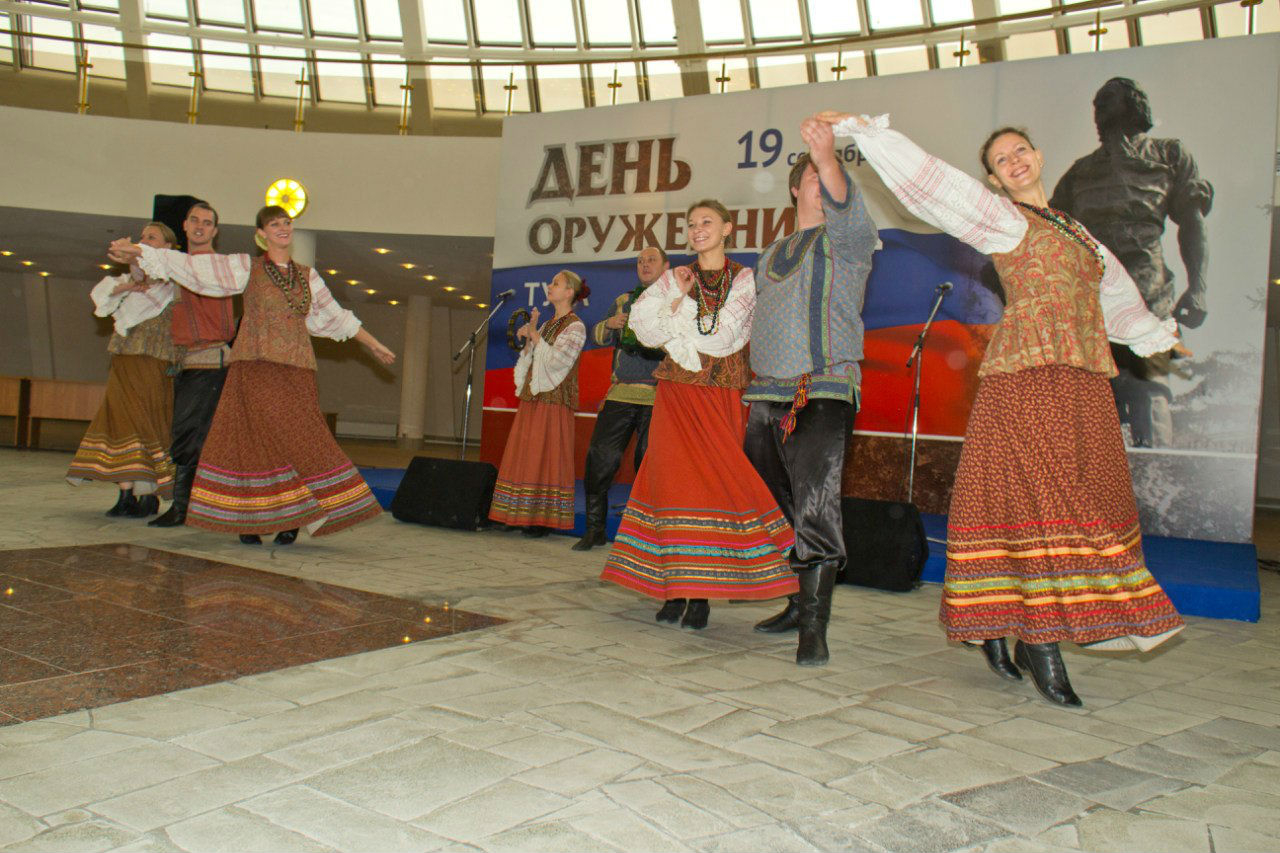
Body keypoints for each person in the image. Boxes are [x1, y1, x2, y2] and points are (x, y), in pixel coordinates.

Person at [822, 111, 1186, 706]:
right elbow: (936, 185)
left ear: (1038, 158)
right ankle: (1038, 639)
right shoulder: (1004, 220)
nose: (1014, 162)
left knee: (1064, 498)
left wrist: (1151, 333)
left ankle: (995, 621)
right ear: (993, 180)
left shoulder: (1079, 234)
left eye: (1020, 152)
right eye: (1000, 161)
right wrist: (871, 134)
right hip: (1028, 376)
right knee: (1048, 499)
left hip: (1082, 379)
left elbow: (1116, 293)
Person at [109, 205, 395, 543]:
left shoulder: (308, 276)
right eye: (274, 224)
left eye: (286, 222)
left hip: (297, 368)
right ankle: (253, 518)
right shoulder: (247, 267)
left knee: (299, 439)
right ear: (261, 234)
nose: (283, 228)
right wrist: (139, 251)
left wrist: (373, 344)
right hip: (255, 365)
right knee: (254, 441)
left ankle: (291, 517)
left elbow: (336, 317)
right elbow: (193, 268)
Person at [600, 200, 797, 631]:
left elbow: (724, 336)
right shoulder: (675, 276)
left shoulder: (743, 278)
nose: (697, 229)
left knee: (711, 485)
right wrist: (676, 298)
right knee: (671, 484)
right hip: (675, 392)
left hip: (718, 393)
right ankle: (676, 589)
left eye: (706, 221)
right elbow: (644, 328)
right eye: (691, 224)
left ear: (727, 228)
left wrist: (677, 310)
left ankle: (702, 592)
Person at [745, 116, 880, 666]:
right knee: (778, 508)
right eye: (813, 180)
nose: (822, 187)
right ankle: (798, 602)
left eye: (828, 180)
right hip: (765, 395)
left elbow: (845, 205)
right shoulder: (768, 255)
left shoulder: (850, 242)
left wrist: (826, 157)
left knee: (816, 506)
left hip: (822, 388)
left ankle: (814, 630)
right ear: (794, 190)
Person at [1050, 77, 1213, 447]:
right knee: (1088, 403)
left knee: (1148, 389)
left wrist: (1198, 288)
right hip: (1089, 300)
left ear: (1135, 103)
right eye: (1096, 102)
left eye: (1108, 98)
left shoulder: (1169, 154)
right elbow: (1050, 237)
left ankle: (1156, 478)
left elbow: (1192, 222)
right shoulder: (1080, 172)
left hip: (1147, 292)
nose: (1099, 107)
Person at [109, 201, 236, 528]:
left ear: (214, 231)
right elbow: (151, 269)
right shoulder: (180, 267)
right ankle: (192, 506)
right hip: (188, 361)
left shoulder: (214, 265)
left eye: (206, 222)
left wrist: (135, 250)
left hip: (209, 362)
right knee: (188, 434)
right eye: (195, 220)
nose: (200, 226)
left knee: (190, 435)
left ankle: (184, 508)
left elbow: (163, 262)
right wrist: (132, 255)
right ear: (185, 225)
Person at [67, 222, 179, 516]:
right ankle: (126, 493)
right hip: (123, 358)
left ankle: (149, 493)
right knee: (120, 422)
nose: (144, 241)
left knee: (147, 422)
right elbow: (103, 299)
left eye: (152, 237)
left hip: (153, 359)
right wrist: (129, 284)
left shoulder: (173, 281)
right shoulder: (129, 279)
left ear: (167, 247)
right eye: (142, 237)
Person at [573, 246, 669, 551]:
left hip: (659, 397)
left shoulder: (676, 302)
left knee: (649, 466)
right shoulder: (623, 301)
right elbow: (597, 336)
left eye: (651, 260)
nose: (645, 264)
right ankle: (595, 530)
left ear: (665, 266)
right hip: (621, 392)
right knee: (599, 459)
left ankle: (646, 539)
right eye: (640, 261)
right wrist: (610, 324)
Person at [489, 270, 588, 537]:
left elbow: (557, 362)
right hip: (534, 397)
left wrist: (534, 334)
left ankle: (540, 519)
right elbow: (534, 358)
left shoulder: (576, 326)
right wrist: (529, 337)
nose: (550, 286)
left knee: (545, 455)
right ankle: (516, 512)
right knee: (525, 452)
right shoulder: (547, 325)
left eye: (556, 283)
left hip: (554, 400)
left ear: (569, 292)